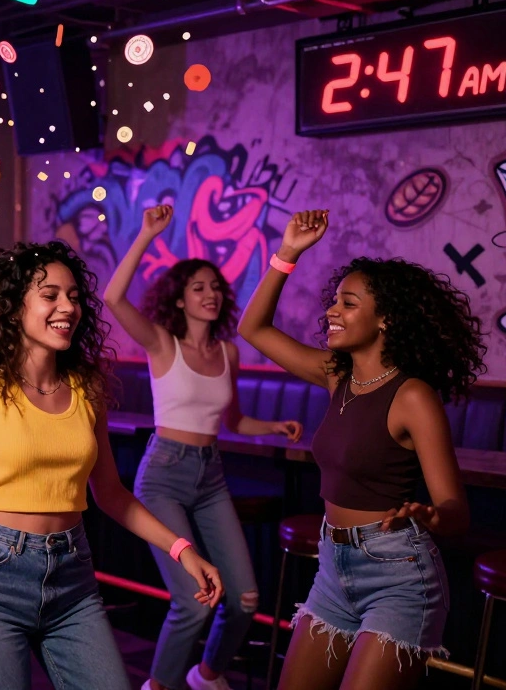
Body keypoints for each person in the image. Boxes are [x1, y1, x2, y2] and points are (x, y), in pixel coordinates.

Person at [0, 159, 224, 690]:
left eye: (73, 296)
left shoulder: (87, 389)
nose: (68, 306)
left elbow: (111, 493)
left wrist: (182, 549)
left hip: (72, 577)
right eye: (50, 296)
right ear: (14, 307)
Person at [237, 210, 483, 690]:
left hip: (399, 574)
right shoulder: (338, 375)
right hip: (333, 567)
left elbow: (457, 511)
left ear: (386, 317)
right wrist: (287, 254)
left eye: (347, 303)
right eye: (333, 301)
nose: (332, 311)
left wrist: (430, 516)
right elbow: (254, 330)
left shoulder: (412, 396)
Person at [103, 204, 303, 690]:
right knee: (192, 600)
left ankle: (206, 675)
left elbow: (231, 419)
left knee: (246, 597)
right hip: (164, 476)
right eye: (199, 288)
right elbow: (113, 297)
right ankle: (159, 686)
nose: (211, 294)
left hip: (210, 475)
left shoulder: (228, 351)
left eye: (216, 287)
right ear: (178, 300)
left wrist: (274, 426)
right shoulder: (161, 343)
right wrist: (147, 233)